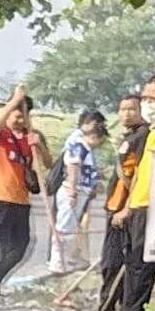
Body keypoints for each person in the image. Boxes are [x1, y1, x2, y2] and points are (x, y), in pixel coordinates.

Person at [100, 78, 155, 311]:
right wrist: (129, 206)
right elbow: (139, 173)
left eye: (153, 99)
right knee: (130, 271)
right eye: (145, 99)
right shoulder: (152, 134)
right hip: (134, 209)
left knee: (141, 276)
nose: (147, 104)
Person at [0, 90, 48, 300]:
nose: (20, 120)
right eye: (16, 116)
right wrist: (14, 100)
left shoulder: (30, 137)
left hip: (21, 201)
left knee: (19, 248)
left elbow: (47, 163)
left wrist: (39, 145)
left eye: (23, 116)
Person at [52, 106, 107, 282]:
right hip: (73, 191)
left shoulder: (87, 150)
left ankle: (64, 260)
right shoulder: (78, 147)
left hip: (82, 191)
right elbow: (73, 169)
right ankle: (57, 262)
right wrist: (73, 191)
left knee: (70, 228)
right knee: (64, 227)